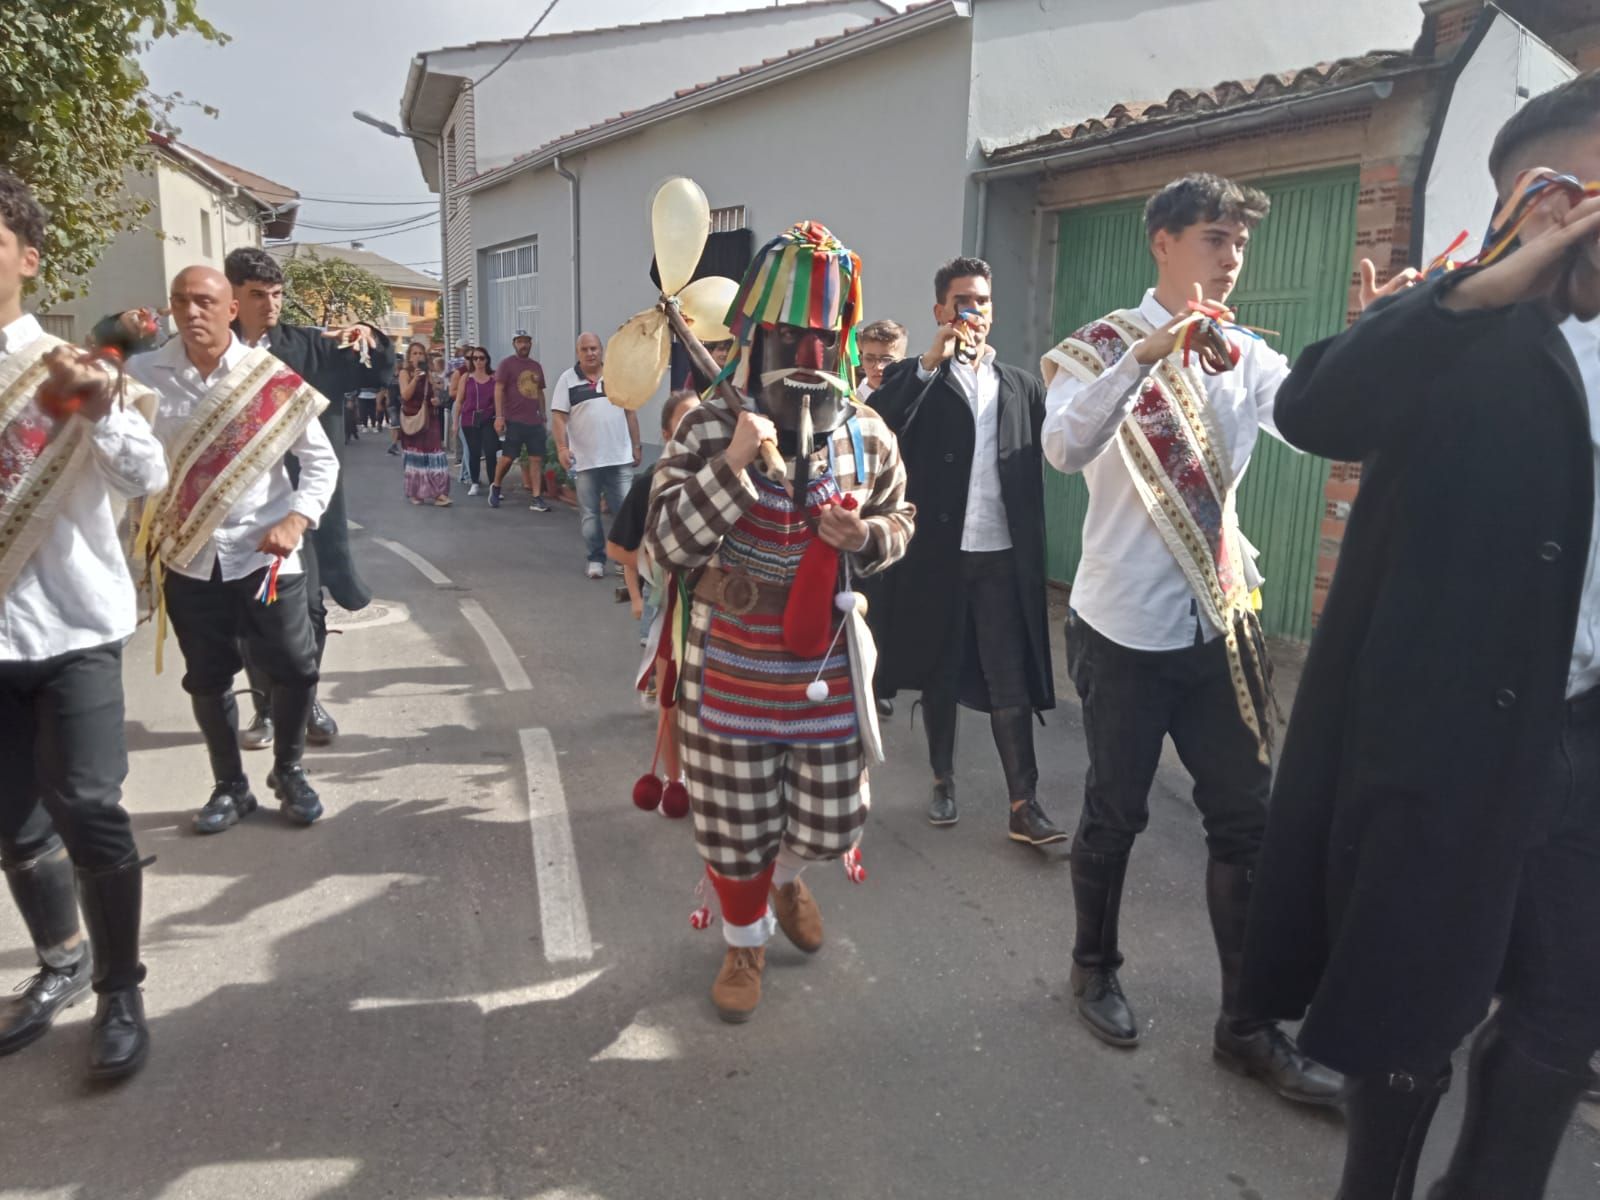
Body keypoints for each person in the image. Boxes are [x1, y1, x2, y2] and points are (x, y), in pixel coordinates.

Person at [1240, 74, 1600, 1197]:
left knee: (1561, 1014)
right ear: (1545, 197)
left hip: (1585, 742)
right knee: (1406, 1028)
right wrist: (1469, 294)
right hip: (1449, 749)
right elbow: (1313, 410)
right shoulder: (1466, 327)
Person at [1039, 171, 1416, 1103]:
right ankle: (1094, 965)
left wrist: (1373, 344)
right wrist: (1146, 360)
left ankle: (1247, 1024)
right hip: (1123, 626)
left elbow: (1319, 426)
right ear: (1162, 243)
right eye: (1215, 237)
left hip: (1220, 620)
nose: (1232, 255)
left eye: (1238, 241)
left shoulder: (1244, 354)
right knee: (1115, 812)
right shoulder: (1099, 348)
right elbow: (1063, 447)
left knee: (1246, 823)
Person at [646, 221, 914, 1023]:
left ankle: (790, 877)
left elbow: (903, 519)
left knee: (837, 819)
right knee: (733, 824)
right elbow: (663, 543)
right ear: (756, 337)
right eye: (790, 335)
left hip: (827, 666)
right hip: (729, 661)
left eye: (824, 339)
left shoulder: (867, 430)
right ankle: (744, 939)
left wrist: (864, 537)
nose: (808, 353)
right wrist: (731, 463)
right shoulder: (704, 422)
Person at [0, 168, 167, 1080]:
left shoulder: (67, 372)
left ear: (28, 258)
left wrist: (98, 406)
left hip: (71, 630)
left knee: (92, 809)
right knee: (14, 827)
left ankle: (119, 988)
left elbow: (145, 474)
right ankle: (59, 963)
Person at [128, 265, 337, 834]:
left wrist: (298, 518)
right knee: (208, 677)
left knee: (295, 669)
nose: (191, 312)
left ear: (230, 310)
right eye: (180, 302)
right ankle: (230, 786)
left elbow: (321, 461)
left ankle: (289, 770)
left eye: (203, 301)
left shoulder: (266, 376)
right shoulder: (143, 374)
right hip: (189, 554)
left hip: (267, 556)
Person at [870, 258, 1066, 846]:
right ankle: (942, 777)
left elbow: (1059, 444)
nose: (972, 312)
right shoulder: (915, 377)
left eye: (981, 300)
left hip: (1001, 555)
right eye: (961, 301)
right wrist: (928, 361)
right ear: (940, 311)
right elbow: (877, 423)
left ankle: (1023, 803)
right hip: (938, 555)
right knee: (940, 669)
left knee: (1009, 677)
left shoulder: (1020, 385)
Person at [220, 247, 394, 752]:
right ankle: (264, 710)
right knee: (253, 612)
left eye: (276, 295)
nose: (270, 304)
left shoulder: (309, 347)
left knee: (310, 610)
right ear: (232, 297)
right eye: (258, 295)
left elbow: (374, 372)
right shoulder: (214, 352)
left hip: (304, 507)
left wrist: (368, 333)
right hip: (239, 506)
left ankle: (306, 699)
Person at [608, 389, 702, 654]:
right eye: (685, 422)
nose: (695, 429)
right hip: (661, 600)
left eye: (700, 420)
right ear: (667, 435)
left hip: (708, 607)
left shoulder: (720, 481)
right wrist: (659, 567)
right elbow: (618, 548)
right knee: (660, 674)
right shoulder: (648, 486)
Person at [554, 331, 640, 576]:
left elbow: (630, 413)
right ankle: (596, 559)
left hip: (619, 457)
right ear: (578, 353)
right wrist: (562, 448)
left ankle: (623, 560)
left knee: (623, 512)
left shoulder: (616, 376)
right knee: (590, 513)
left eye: (594, 348)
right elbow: (559, 417)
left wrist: (636, 446)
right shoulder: (567, 380)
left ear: (601, 350)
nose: (590, 353)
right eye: (585, 349)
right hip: (586, 460)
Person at [490, 330, 550, 512]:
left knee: (536, 459)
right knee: (508, 458)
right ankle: (496, 485)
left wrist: (543, 413)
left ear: (531, 344)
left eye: (527, 341)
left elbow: (539, 391)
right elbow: (498, 389)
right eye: (520, 342)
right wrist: (499, 416)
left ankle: (536, 497)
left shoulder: (536, 366)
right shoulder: (506, 364)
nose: (524, 345)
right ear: (514, 344)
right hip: (513, 419)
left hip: (534, 420)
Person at [398, 340, 451, 507]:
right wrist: (415, 378)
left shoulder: (429, 373)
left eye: (420, 353)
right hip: (413, 419)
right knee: (416, 457)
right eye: (414, 353)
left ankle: (439, 493)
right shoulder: (405, 373)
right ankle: (416, 493)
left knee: (435, 455)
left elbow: (434, 394)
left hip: (430, 418)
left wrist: (436, 400)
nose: (418, 356)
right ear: (409, 357)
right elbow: (405, 395)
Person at [455, 346, 499, 496]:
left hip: (488, 418)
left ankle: (494, 484)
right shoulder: (466, 378)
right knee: (474, 452)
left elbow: (499, 400)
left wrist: (500, 417)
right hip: (469, 418)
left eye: (482, 358)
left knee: (490, 451)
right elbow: (459, 401)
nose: (478, 361)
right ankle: (474, 482)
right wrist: (455, 422)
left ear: (487, 360)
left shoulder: (493, 378)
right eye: (475, 358)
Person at [855, 318, 907, 403]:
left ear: (903, 363)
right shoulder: (847, 405)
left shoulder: (910, 401)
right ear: (862, 361)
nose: (878, 367)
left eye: (886, 360)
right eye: (869, 359)